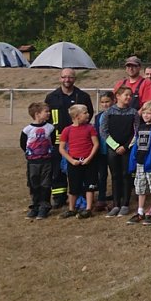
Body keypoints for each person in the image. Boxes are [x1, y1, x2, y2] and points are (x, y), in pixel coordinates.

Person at [45, 68, 94, 208]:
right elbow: (48, 118)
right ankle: (59, 197)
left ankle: (81, 196)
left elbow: (89, 113)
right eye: (64, 77)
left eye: (70, 77)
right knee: (58, 170)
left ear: (75, 78)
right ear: (60, 78)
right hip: (58, 140)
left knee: (79, 169)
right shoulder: (51, 97)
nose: (67, 80)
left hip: (78, 141)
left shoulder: (82, 96)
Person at [101, 86, 139, 218]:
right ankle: (116, 204)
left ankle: (125, 204)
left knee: (126, 175)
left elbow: (136, 132)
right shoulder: (108, 112)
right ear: (117, 96)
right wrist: (116, 146)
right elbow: (104, 132)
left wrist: (126, 146)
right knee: (115, 176)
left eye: (130, 95)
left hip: (127, 149)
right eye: (126, 95)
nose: (128, 97)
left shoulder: (134, 113)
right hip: (113, 149)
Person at [59, 104, 100, 219]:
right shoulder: (67, 130)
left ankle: (88, 208)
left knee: (89, 186)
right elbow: (61, 148)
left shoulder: (90, 128)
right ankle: (71, 209)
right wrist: (71, 160)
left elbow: (96, 144)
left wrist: (89, 158)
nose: (88, 115)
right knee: (73, 187)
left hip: (88, 161)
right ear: (77, 116)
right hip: (74, 162)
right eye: (85, 113)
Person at [21, 102, 55, 220]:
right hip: (33, 163)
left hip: (46, 162)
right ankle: (35, 206)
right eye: (46, 111)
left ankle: (44, 207)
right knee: (34, 184)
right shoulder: (27, 130)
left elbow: (53, 141)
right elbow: (23, 144)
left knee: (45, 184)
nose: (48, 113)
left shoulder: (50, 128)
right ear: (37, 114)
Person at [93, 91, 114, 211]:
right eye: (102, 102)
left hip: (113, 150)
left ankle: (117, 196)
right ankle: (101, 197)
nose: (105, 104)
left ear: (113, 101)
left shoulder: (117, 115)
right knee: (102, 175)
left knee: (115, 174)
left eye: (107, 102)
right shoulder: (98, 117)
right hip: (101, 150)